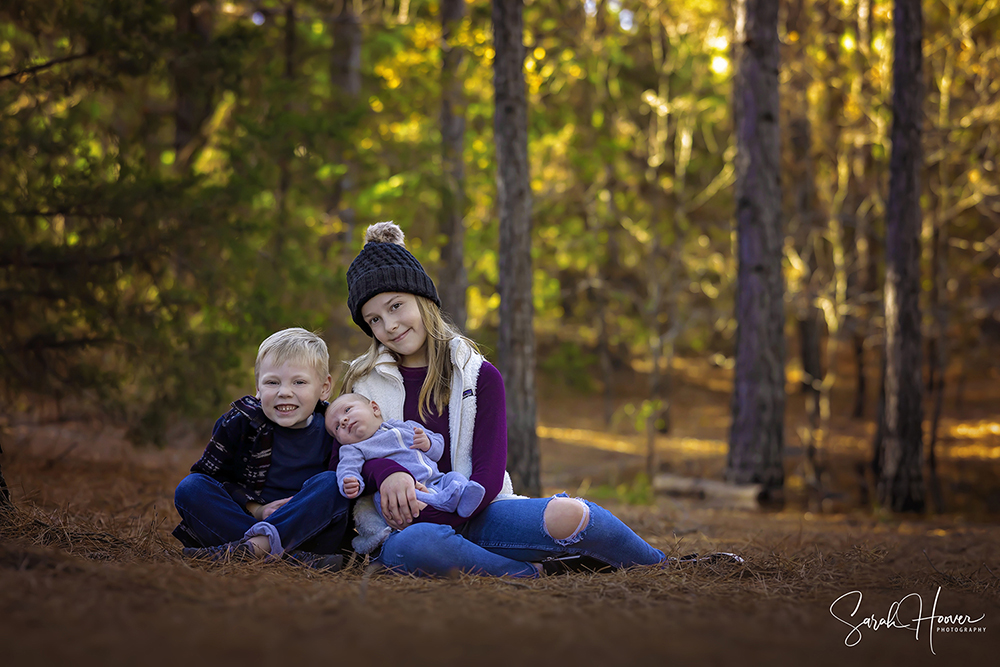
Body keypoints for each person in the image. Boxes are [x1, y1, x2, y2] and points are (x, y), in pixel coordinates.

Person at [339, 222, 687, 576]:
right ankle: (536, 573)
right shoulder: (362, 382)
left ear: (423, 299)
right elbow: (346, 457)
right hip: (405, 525)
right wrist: (386, 472)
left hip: (480, 511)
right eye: (375, 319)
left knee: (576, 515)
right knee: (417, 546)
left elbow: (488, 473)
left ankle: (665, 566)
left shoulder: (479, 375)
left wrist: (452, 513)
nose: (390, 325)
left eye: (396, 306)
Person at [172, 328, 349, 569]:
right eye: (272, 382)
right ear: (258, 386)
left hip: (308, 534)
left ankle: (250, 550)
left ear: (324, 387)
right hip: (246, 521)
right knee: (190, 488)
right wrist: (257, 509)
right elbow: (214, 477)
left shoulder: (335, 430)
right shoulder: (239, 423)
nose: (284, 392)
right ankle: (291, 560)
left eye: (299, 382)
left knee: (333, 483)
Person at [327, 392, 486, 518]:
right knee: (402, 497)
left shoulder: (405, 426)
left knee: (454, 477)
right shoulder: (353, 448)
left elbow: (438, 449)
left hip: (436, 480)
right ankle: (442, 502)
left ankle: (465, 500)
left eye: (347, 410)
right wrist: (349, 482)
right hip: (405, 490)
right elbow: (347, 468)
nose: (343, 420)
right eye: (336, 427)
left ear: (374, 408)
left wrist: (428, 443)